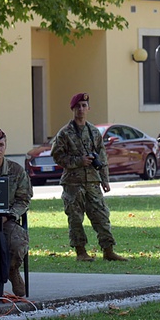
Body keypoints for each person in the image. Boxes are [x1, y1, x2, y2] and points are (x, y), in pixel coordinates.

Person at [50, 92, 127, 262]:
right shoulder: (65, 133)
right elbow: (57, 156)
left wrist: (105, 179)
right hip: (73, 182)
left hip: (93, 180)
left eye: (84, 106)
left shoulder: (94, 132)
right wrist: (78, 161)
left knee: (101, 215)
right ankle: (81, 252)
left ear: (88, 108)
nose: (81, 109)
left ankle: (108, 250)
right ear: (73, 109)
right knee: (75, 218)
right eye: (78, 106)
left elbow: (102, 156)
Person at [0, 127, 32, 296]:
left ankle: (12, 271)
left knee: (17, 242)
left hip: (8, 220)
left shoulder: (16, 171)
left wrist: (8, 216)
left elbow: (24, 199)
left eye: (1, 144)